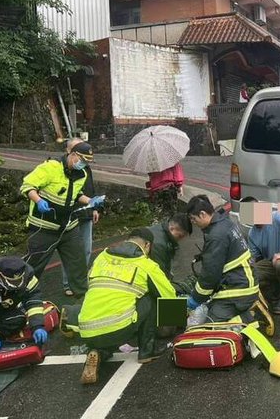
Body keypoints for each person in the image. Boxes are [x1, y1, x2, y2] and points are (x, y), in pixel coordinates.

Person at [79, 228, 176, 384]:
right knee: (149, 296)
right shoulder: (145, 264)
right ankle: (147, 351)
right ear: (147, 246)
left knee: (110, 315)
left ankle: (98, 351)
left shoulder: (101, 256)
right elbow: (168, 295)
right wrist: (174, 326)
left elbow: (89, 285)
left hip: (86, 330)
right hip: (119, 328)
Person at [21, 140, 105, 297]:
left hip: (68, 227)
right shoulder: (51, 167)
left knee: (78, 263)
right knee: (33, 266)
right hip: (43, 227)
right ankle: (20, 299)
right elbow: (27, 185)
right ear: (73, 155)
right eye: (83, 160)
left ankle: (82, 297)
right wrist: (38, 200)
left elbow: (76, 194)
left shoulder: (82, 174)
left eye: (88, 162)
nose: (85, 164)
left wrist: (91, 201)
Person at [185, 194, 259, 322]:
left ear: (202, 214)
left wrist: (196, 299)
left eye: (193, 218)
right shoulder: (224, 223)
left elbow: (210, 274)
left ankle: (245, 321)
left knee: (210, 324)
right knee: (206, 310)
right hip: (244, 281)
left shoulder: (216, 236)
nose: (193, 222)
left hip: (238, 291)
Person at [61, 137, 98, 297]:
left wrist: (95, 208)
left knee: (86, 250)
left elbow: (90, 187)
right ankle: (67, 283)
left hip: (86, 212)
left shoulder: (85, 167)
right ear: (69, 151)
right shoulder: (61, 168)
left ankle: (81, 281)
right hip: (70, 215)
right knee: (70, 252)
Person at [149, 214, 193, 280]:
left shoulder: (160, 228)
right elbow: (159, 273)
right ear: (172, 228)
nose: (181, 240)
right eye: (180, 236)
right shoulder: (159, 245)